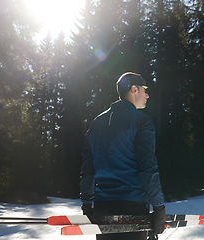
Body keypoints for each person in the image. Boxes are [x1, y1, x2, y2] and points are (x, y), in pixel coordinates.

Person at [80, 72, 165, 240]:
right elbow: (147, 168)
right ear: (134, 89)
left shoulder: (96, 123)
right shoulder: (141, 121)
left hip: (102, 206)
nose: (147, 95)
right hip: (133, 207)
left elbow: (87, 170)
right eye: (144, 89)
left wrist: (87, 205)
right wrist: (159, 208)